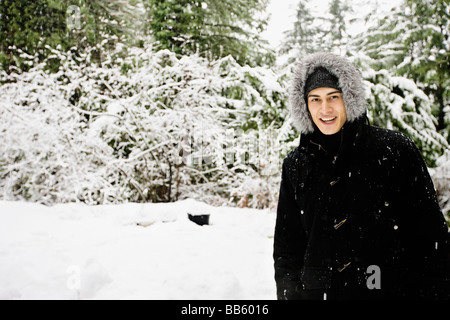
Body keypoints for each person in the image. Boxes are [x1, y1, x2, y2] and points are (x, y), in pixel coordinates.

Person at [273, 52, 449, 300]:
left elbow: (431, 239)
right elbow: (287, 247)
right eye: (315, 99)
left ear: (350, 98)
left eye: (334, 97)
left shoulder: (395, 151)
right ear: (304, 105)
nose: (325, 109)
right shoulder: (295, 164)